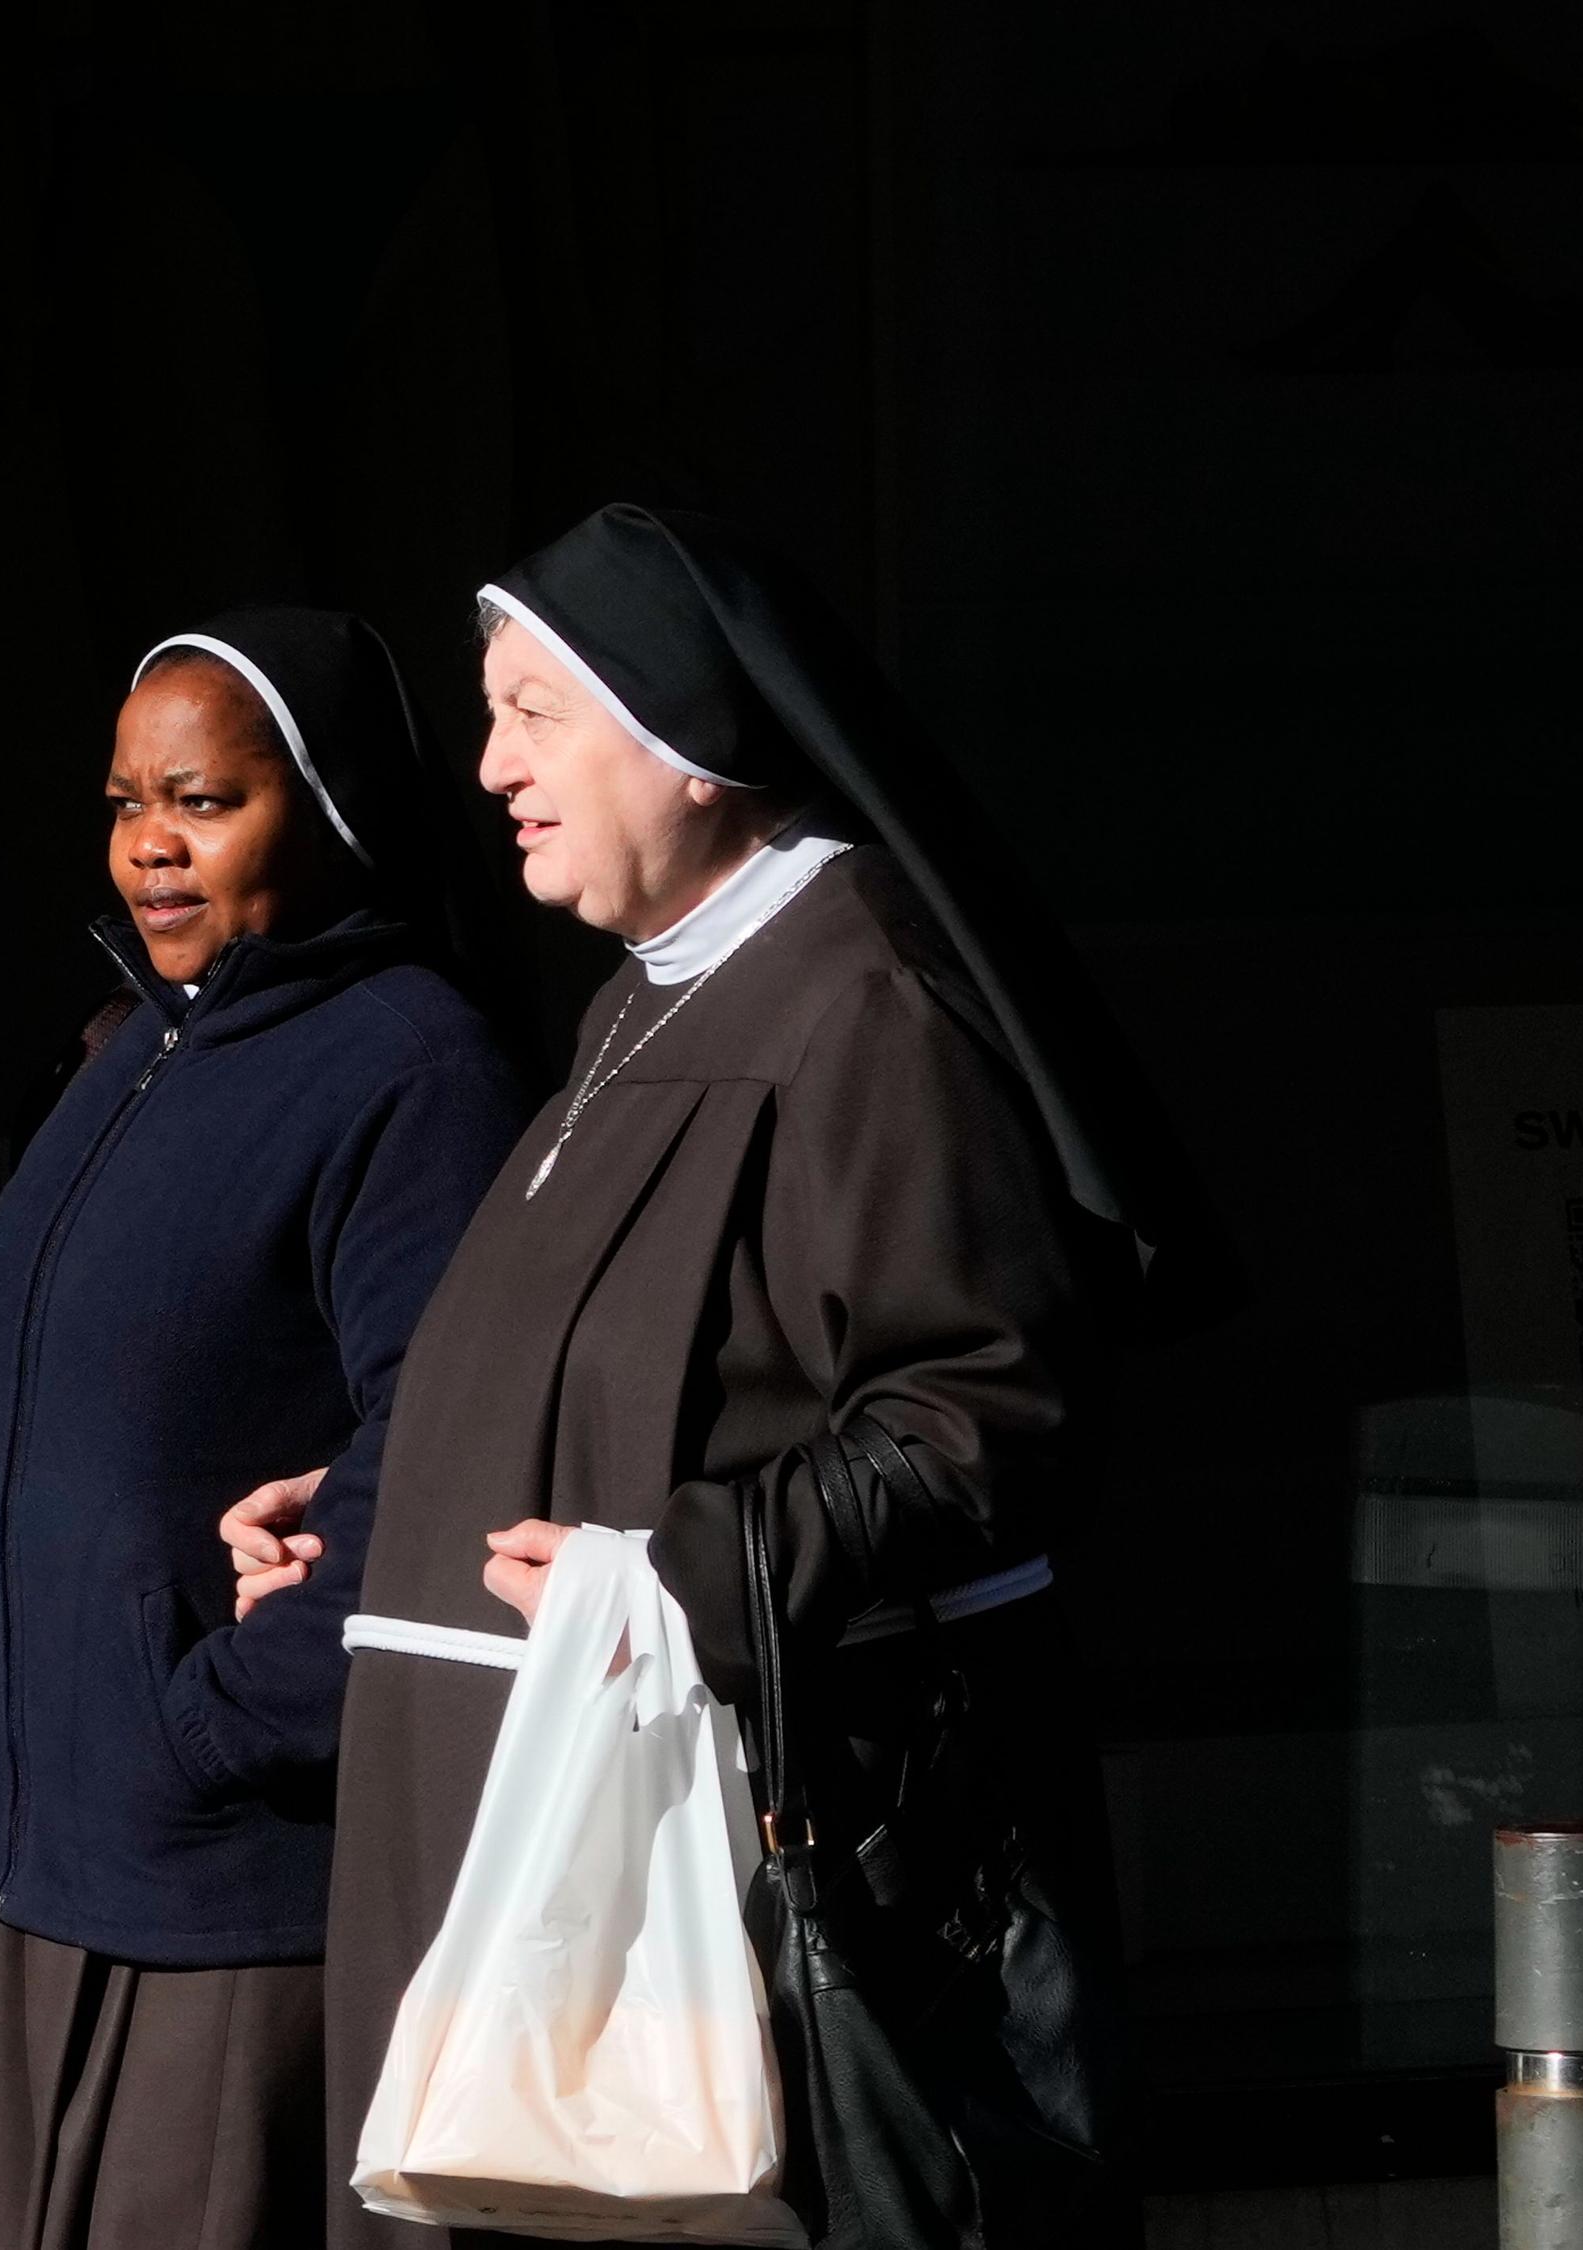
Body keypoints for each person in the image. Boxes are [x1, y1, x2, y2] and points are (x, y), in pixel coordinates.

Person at [240, 506, 1230, 2248]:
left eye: (534, 712)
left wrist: (677, 1573)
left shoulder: (862, 1007)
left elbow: (978, 1416)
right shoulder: (651, 999)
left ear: (685, 737)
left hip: (765, 1894)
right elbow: (639, 1361)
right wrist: (390, 1501)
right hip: (523, 1856)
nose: (489, 766)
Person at [0, 608, 528, 2250]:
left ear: (324, 810)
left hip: (230, 1884)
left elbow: (455, 1431)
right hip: (56, 1861)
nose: (150, 850)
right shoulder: (132, 1050)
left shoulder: (412, 1065)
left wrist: (235, 1711)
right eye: (128, 802)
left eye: (204, 801)